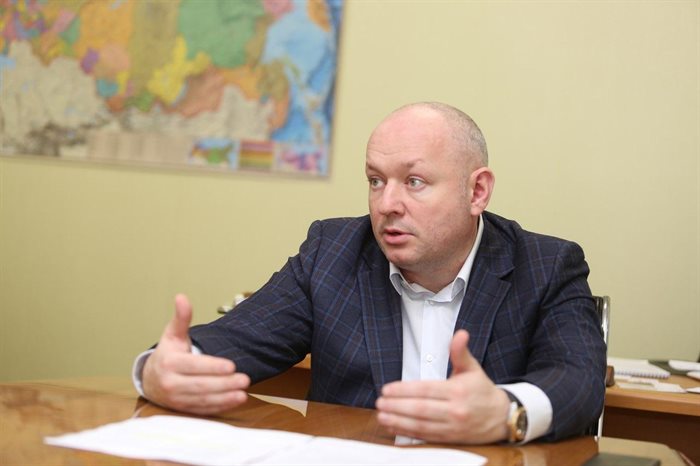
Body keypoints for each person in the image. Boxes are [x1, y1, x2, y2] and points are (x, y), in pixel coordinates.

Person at [133, 102, 606, 445]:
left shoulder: (545, 266)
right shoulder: (333, 251)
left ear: (477, 191)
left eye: (414, 182)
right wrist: (161, 368)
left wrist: (505, 413)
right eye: (376, 180)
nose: (387, 204)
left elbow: (578, 381)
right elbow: (239, 338)